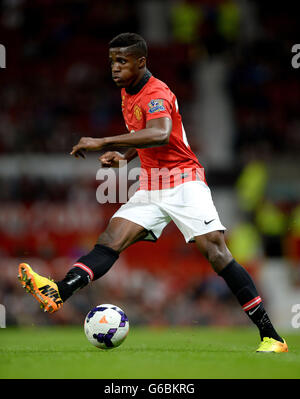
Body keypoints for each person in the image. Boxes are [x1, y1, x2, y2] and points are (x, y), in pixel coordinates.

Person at [18, 33, 287, 353]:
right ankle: (58, 292)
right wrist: (124, 155)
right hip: (152, 183)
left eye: (122, 61)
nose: (115, 68)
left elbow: (160, 134)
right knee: (110, 240)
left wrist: (104, 143)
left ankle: (272, 336)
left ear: (141, 62)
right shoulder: (126, 92)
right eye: (112, 61)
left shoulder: (156, 91)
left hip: (184, 180)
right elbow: (142, 135)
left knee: (217, 253)